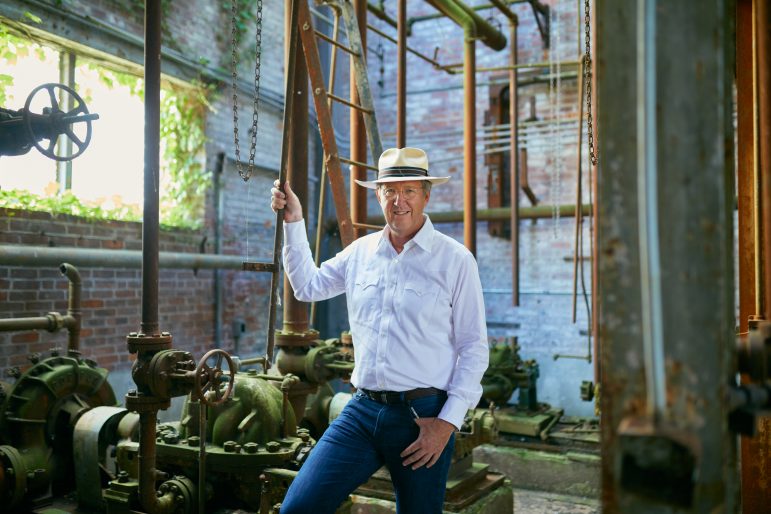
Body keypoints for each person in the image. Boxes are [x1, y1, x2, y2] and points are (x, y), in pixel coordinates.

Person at [270, 147, 488, 514]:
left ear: (426, 195)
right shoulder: (361, 252)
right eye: (389, 191)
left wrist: (447, 424)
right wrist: (294, 221)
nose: (398, 201)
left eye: (409, 191)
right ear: (378, 195)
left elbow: (473, 348)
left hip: (423, 417)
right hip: (362, 411)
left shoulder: (455, 261)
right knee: (298, 508)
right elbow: (308, 286)